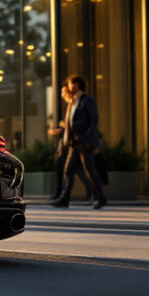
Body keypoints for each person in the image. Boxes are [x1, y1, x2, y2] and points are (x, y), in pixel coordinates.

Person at [51, 75, 107, 209]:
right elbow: (70, 121)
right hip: (73, 142)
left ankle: (101, 197)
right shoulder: (73, 101)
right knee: (68, 170)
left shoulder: (87, 100)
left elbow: (93, 119)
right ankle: (64, 199)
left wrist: (88, 136)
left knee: (90, 170)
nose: (69, 87)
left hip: (84, 141)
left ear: (77, 85)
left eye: (71, 84)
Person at [49, 87, 92, 201]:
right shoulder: (70, 106)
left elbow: (75, 124)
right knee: (71, 170)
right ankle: (64, 196)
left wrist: (62, 129)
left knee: (76, 170)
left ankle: (95, 193)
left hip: (72, 144)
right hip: (69, 143)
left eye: (64, 92)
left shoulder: (76, 105)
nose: (62, 94)